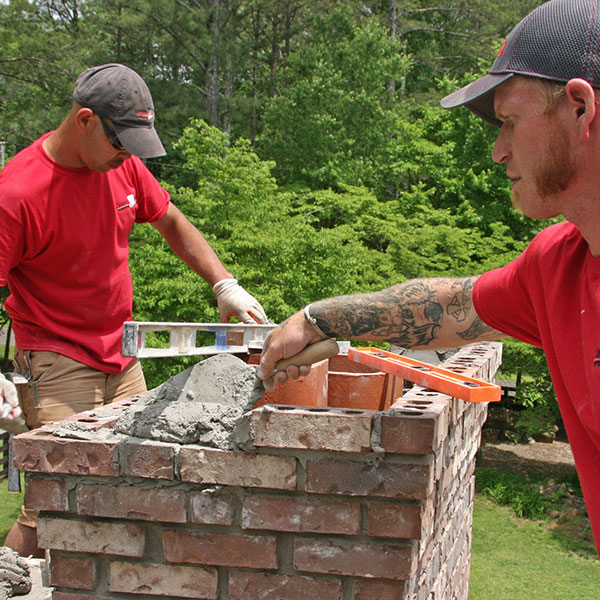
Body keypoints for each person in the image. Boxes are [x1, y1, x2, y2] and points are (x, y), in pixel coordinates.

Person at [257, 0, 600, 557]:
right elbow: (454, 306)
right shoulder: (558, 264)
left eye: (509, 122)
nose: (498, 151)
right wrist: (319, 318)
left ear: (581, 107)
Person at [0, 63, 268, 556]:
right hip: (57, 362)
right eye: (119, 142)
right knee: (51, 505)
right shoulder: (17, 193)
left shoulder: (120, 164)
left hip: (123, 357)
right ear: (84, 119)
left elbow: (169, 219)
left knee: (131, 481)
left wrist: (224, 282)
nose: (126, 155)